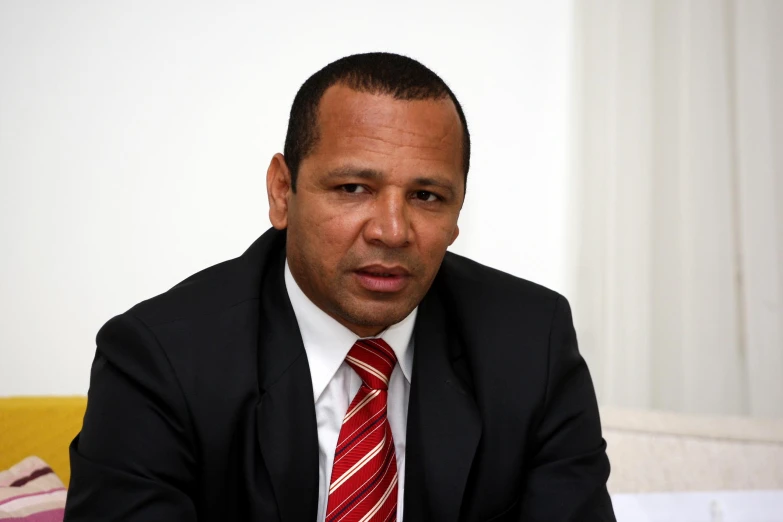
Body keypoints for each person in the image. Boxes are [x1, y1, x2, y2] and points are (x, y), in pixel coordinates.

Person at [64, 52, 615, 521]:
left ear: (457, 212)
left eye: (426, 196)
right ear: (283, 192)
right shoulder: (160, 358)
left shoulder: (529, 343)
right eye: (353, 188)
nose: (391, 231)